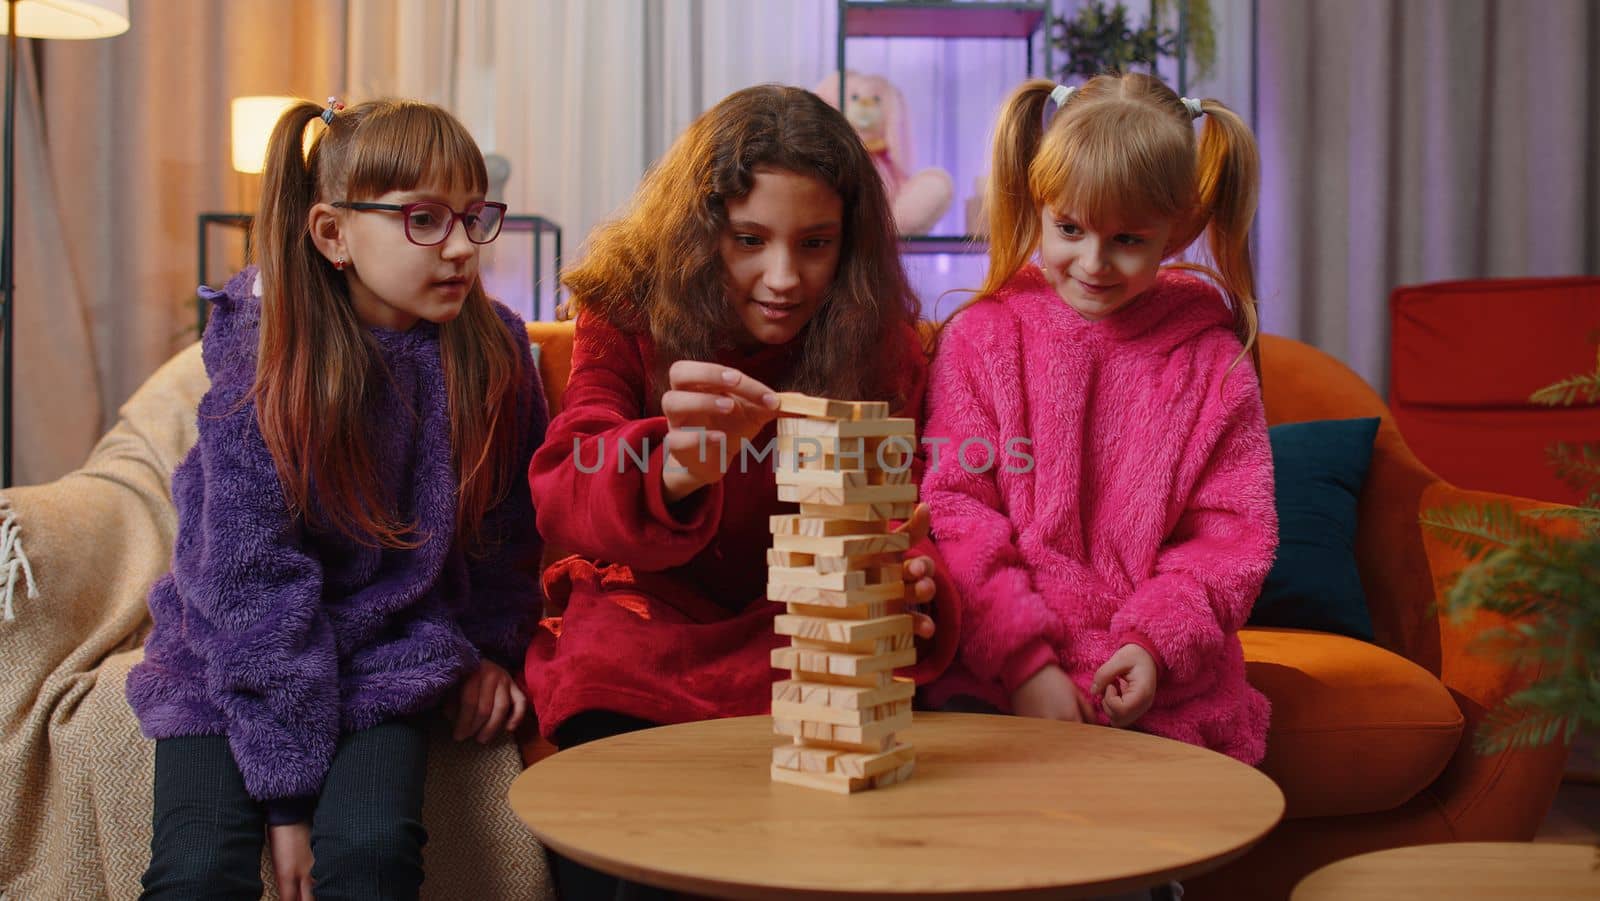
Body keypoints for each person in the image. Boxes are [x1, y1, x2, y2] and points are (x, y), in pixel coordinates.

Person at [525, 83, 959, 900]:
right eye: (748, 240)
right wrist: (678, 464)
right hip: (641, 641)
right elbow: (566, 478)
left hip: (798, 647)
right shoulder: (625, 308)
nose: (784, 277)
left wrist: (911, 580)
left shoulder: (883, 342)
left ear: (850, 242)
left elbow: (905, 515)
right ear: (698, 233)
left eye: (817, 244)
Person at [126, 97, 547, 901]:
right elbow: (250, 585)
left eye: (472, 217)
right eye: (423, 220)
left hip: (388, 649)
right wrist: (286, 798)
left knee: (372, 851)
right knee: (197, 870)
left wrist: (492, 650)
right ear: (332, 233)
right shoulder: (264, 369)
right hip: (228, 652)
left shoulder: (493, 351)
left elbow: (507, 533)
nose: (460, 248)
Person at [922, 72, 1276, 767]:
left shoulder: (1212, 362)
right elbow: (957, 513)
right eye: (1070, 228)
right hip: (1001, 674)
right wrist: (1025, 665)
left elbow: (1231, 540)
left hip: (1156, 686)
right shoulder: (982, 340)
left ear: (1177, 232)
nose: (1093, 262)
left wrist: (1152, 646)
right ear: (1040, 204)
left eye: (1128, 239)